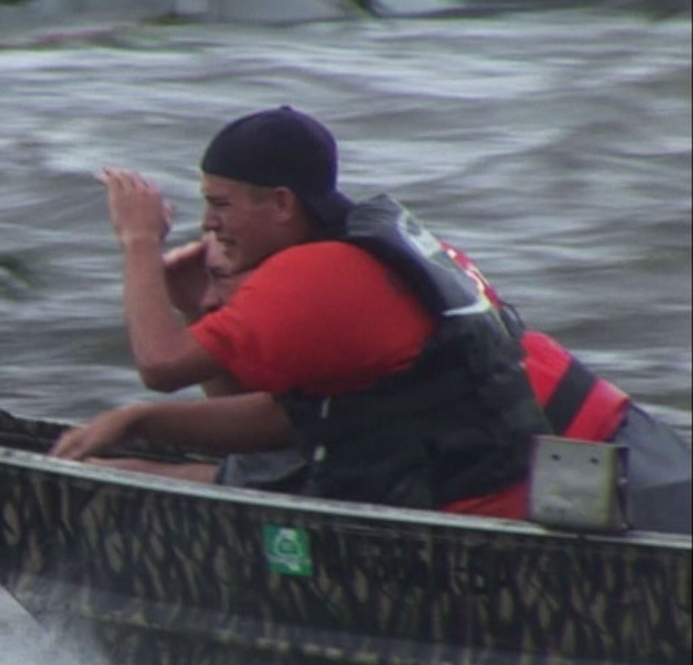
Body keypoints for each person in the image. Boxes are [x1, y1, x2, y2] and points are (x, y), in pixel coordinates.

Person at [52, 106, 691, 532]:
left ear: (280, 204)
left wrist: (138, 244)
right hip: (591, 459)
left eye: (219, 205)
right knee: (148, 474)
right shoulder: (345, 251)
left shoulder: (318, 276)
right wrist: (194, 309)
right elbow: (285, 421)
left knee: (106, 483)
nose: (208, 225)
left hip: (586, 480)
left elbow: (160, 367)